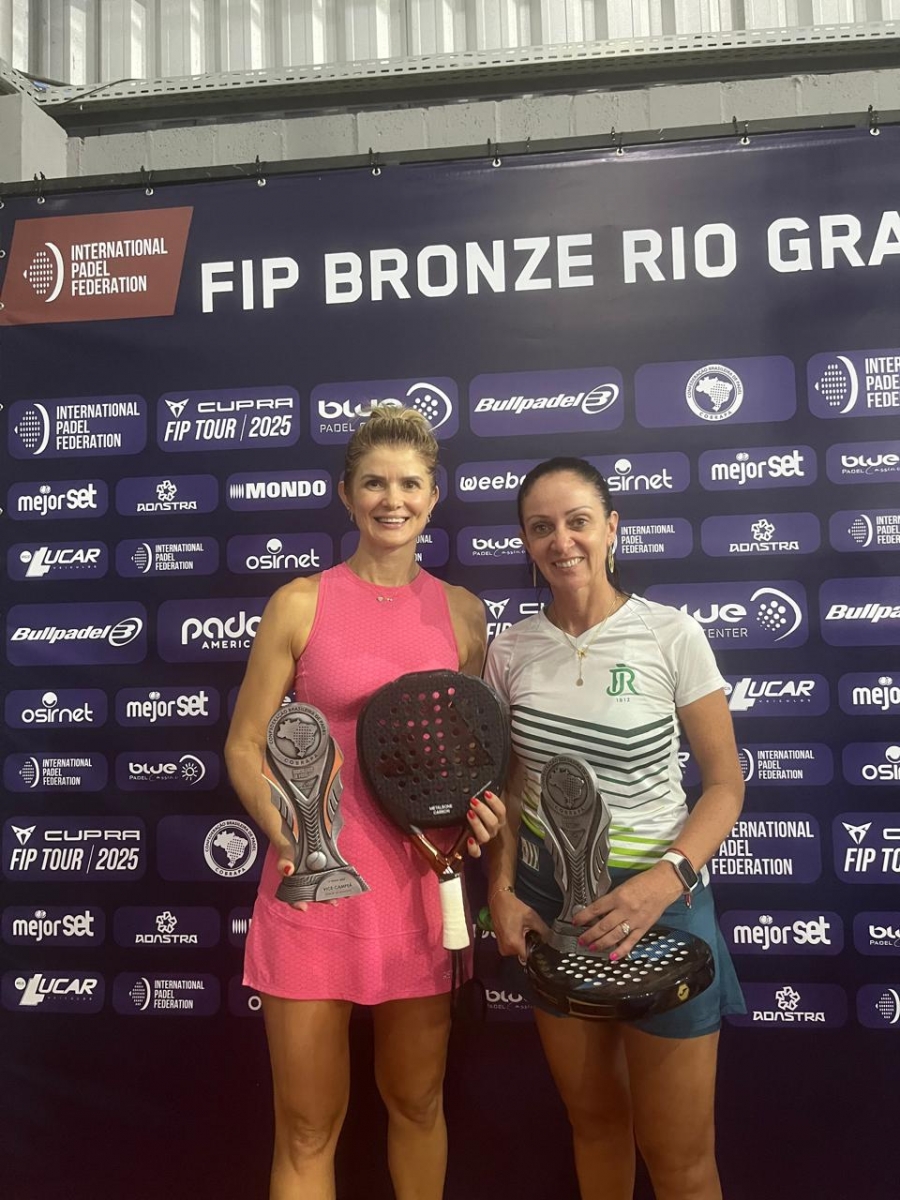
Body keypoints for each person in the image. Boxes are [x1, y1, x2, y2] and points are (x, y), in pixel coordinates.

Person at [225, 405, 504, 1200]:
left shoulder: (462, 612)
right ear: (347, 495)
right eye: (375, 483)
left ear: (433, 497)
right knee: (307, 1128)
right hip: (313, 891)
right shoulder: (299, 602)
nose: (393, 499)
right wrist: (285, 828)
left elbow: (470, 753)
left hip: (421, 894)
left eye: (410, 483)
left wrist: (480, 814)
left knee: (417, 1105)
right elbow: (244, 744)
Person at [484, 456, 745, 1200]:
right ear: (527, 542)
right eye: (541, 527)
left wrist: (664, 881)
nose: (561, 541)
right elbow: (508, 788)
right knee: (595, 1125)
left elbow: (725, 786)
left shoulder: (670, 634)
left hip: (663, 909)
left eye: (578, 522)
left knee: (680, 1158)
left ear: (611, 528)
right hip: (556, 911)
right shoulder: (510, 650)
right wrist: (501, 891)